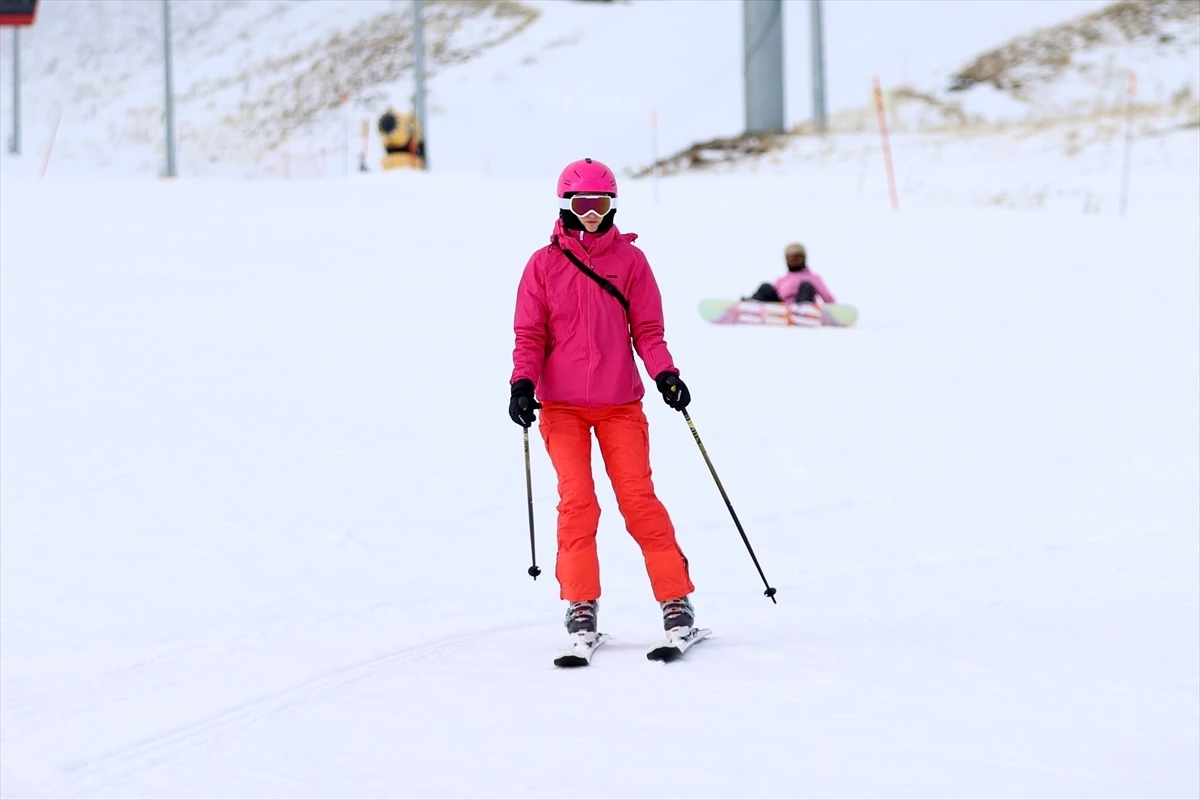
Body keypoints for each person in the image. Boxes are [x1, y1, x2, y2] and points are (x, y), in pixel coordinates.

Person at [507, 157, 697, 644]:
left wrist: (666, 374)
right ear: (566, 204)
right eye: (582, 202)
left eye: (602, 202)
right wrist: (522, 383)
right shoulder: (543, 264)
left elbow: (648, 331)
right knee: (578, 502)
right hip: (562, 407)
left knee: (638, 501)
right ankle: (580, 605)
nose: (592, 212)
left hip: (619, 405)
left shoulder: (631, 262)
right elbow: (529, 334)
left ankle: (676, 600)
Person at [744, 243, 837, 305]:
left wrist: (836, 312)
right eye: (791, 259)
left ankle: (804, 308)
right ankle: (751, 304)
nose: (794, 261)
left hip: (800, 305)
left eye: (797, 258)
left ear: (803, 259)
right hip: (782, 307)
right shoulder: (782, 280)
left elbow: (827, 298)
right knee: (765, 286)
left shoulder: (813, 278)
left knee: (806, 285)